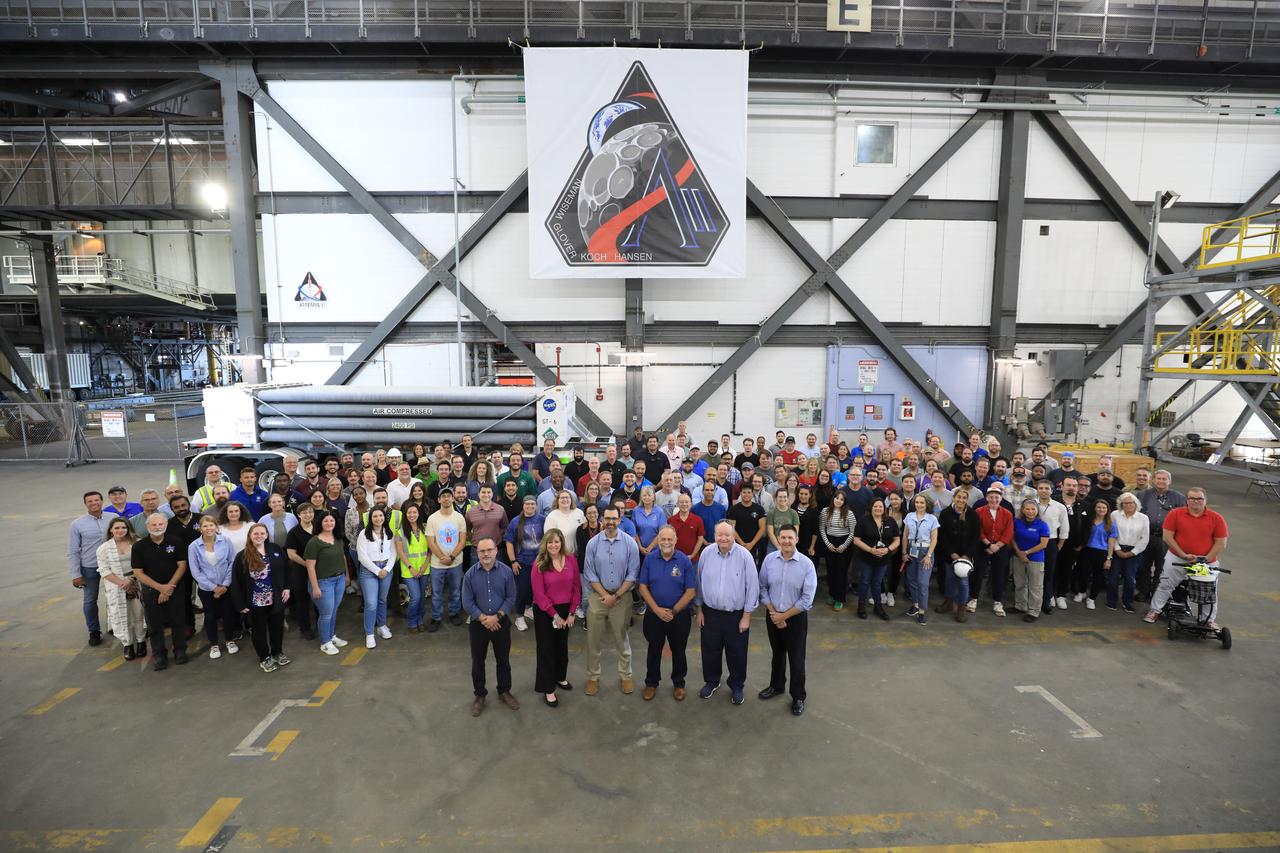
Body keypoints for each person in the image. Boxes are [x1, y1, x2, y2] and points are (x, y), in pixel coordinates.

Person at [695, 521, 759, 705]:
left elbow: (752, 587)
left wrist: (746, 617)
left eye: (727, 535)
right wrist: (699, 610)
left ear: (733, 536)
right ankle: (712, 681)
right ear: (714, 535)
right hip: (710, 613)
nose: (723, 538)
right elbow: (699, 583)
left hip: (736, 615)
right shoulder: (706, 553)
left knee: (737, 653)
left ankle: (737, 685)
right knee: (710, 650)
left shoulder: (745, 556)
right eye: (719, 535)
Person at [1145, 487, 1228, 626]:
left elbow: (1221, 543)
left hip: (1204, 562)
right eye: (1192, 498)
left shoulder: (1216, 518)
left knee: (1207, 590)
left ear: (1205, 500)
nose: (1196, 501)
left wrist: (1205, 558)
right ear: (1187, 500)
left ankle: (1207, 619)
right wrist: (1183, 555)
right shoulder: (1175, 514)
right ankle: (1155, 610)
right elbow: (1168, 537)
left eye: (1199, 498)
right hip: (1178, 558)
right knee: (1166, 584)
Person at [757, 525, 816, 716]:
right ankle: (777, 686)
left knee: (797, 658)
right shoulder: (769, 560)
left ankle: (798, 696)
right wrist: (774, 613)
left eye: (790, 538)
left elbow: (807, 599)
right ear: (778, 539)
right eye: (783, 537)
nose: (786, 541)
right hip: (773, 616)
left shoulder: (806, 565)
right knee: (777, 654)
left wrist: (784, 616)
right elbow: (762, 587)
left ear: (797, 539)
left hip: (795, 618)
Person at [582, 506, 641, 696]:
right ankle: (593, 677)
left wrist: (615, 596)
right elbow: (589, 573)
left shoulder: (630, 543)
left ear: (620, 518)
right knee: (593, 640)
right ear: (602, 519)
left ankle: (625, 675)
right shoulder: (593, 543)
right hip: (597, 597)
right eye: (607, 518)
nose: (610, 522)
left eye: (614, 518)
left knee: (621, 638)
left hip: (621, 598)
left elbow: (633, 574)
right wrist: (605, 596)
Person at [637, 525, 697, 702]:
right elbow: (642, 587)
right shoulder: (649, 559)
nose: (666, 542)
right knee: (653, 649)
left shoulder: (684, 561)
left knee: (679, 650)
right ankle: (651, 683)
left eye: (670, 539)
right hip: (654, 614)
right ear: (658, 540)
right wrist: (656, 609)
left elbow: (691, 591)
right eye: (663, 539)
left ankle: (679, 684)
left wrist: (673, 610)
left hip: (678, 615)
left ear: (676, 540)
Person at [462, 537, 520, 716]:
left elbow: (511, 597)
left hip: (501, 624)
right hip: (479, 626)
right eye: (482, 551)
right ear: (477, 553)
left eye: (489, 550)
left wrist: (497, 616)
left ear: (496, 550)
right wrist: (484, 618)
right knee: (477, 662)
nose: (486, 554)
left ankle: (504, 691)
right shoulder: (470, 574)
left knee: (503, 661)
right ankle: (480, 695)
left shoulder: (506, 572)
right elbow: (467, 602)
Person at [131, 512, 190, 670]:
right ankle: (159, 655)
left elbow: (182, 566)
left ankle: (180, 651)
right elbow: (138, 572)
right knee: (154, 625)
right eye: (154, 525)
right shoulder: (139, 547)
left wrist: (168, 588)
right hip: (151, 591)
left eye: (160, 524)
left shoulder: (176, 542)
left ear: (165, 525)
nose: (157, 527)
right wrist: (160, 589)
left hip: (174, 588)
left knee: (178, 621)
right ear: (147, 526)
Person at [232, 523, 291, 673]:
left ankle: (277, 652)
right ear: (250, 536)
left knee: (277, 628)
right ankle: (264, 657)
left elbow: (286, 569)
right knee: (259, 631)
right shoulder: (242, 556)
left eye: (262, 533)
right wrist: (240, 604)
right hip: (256, 601)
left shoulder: (275, 549)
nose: (259, 536)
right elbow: (236, 581)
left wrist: (287, 588)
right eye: (255, 534)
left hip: (276, 597)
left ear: (266, 535)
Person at [532, 529, 580, 707]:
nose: (553, 545)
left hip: (566, 610)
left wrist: (572, 612)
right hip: (545, 611)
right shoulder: (539, 563)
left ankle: (560, 677)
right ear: (545, 544)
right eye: (550, 542)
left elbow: (576, 586)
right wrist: (555, 616)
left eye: (557, 542)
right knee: (547, 650)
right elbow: (539, 594)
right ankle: (548, 687)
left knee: (562, 646)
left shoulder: (571, 560)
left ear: (562, 543)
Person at [187, 515, 240, 658]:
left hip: (226, 586)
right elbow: (195, 571)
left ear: (216, 527)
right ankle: (214, 644)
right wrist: (213, 587)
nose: (208, 528)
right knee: (210, 616)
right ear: (200, 528)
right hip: (206, 589)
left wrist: (224, 585)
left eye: (211, 525)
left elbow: (232, 563)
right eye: (205, 526)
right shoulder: (193, 546)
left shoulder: (225, 541)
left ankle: (230, 640)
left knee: (228, 614)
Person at [95, 517, 147, 660]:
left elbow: (145, 564)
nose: (120, 530)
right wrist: (123, 584)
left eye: (123, 527)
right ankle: (127, 644)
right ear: (111, 530)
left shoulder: (137, 543)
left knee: (139, 613)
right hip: (116, 586)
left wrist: (131, 580)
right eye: (116, 528)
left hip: (137, 582)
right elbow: (104, 570)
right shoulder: (104, 548)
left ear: (128, 529)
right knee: (122, 615)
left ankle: (141, 641)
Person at [68, 490, 112, 647]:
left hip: (112, 565)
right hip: (90, 567)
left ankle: (115, 626)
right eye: (90, 501)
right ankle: (94, 631)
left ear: (102, 501)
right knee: (90, 600)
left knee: (115, 596)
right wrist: (75, 573)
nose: (94, 503)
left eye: (96, 500)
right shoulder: (77, 524)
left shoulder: (113, 518)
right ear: (85, 504)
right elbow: (73, 550)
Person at [1135, 469, 1186, 603]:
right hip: (1146, 537)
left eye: (1164, 479)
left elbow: (1184, 518)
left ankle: (1156, 592)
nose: (1161, 481)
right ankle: (1143, 591)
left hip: (1166, 539)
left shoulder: (1178, 497)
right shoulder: (1143, 495)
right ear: (1153, 480)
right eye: (1159, 478)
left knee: (1162, 566)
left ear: (1169, 481)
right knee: (1143, 566)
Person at [304, 512, 349, 655]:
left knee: (334, 610)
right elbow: (310, 566)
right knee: (326, 613)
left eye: (332, 520)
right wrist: (315, 587)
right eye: (326, 521)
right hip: (323, 582)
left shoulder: (338, 539)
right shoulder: (314, 542)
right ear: (320, 523)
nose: (329, 523)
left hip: (339, 579)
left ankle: (331, 636)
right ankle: (325, 642)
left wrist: (347, 575)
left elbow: (343, 558)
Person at [935, 490, 981, 623]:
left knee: (963, 582)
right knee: (949, 579)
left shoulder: (973, 515)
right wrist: (951, 553)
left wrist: (967, 555)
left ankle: (961, 607)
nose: (961, 500)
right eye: (958, 497)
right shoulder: (945, 513)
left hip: (965, 557)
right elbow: (942, 536)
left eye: (964, 498)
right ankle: (949, 603)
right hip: (950, 555)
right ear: (954, 498)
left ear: (967, 500)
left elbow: (975, 537)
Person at [425, 489, 468, 631]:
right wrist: (442, 557)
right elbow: (431, 542)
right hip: (437, 563)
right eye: (443, 496)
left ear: (453, 498)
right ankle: (436, 617)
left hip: (456, 562)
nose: (446, 499)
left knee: (455, 591)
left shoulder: (459, 518)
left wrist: (452, 557)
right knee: (437, 593)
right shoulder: (432, 518)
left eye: (449, 496)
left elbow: (462, 540)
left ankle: (454, 613)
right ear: (439, 500)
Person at [971, 483, 1014, 617]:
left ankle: (997, 601)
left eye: (997, 497)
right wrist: (989, 545)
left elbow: (1008, 532)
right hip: (983, 546)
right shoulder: (979, 511)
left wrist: (997, 546)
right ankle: (973, 599)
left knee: (999, 574)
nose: (994, 500)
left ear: (1001, 499)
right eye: (991, 497)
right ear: (986, 498)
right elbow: (978, 530)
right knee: (978, 572)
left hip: (1000, 547)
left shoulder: (1007, 513)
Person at [854, 497, 900, 621]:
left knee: (877, 582)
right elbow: (856, 540)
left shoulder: (890, 521)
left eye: (880, 506)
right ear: (871, 508)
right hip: (866, 557)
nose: (878, 508)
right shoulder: (864, 521)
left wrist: (888, 549)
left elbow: (897, 540)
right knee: (864, 581)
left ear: (884, 508)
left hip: (883, 558)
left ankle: (878, 607)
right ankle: (861, 607)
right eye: (875, 506)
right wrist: (871, 550)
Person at [357, 507, 397, 648]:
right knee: (371, 603)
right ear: (370, 518)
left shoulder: (388, 532)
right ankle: (369, 634)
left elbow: (393, 553)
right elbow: (362, 557)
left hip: (386, 569)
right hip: (369, 571)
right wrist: (376, 570)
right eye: (375, 516)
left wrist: (386, 569)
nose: (378, 518)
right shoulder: (363, 534)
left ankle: (381, 626)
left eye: (380, 515)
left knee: (382, 600)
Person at [1108, 492, 1149, 613]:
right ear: (1121, 504)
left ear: (1135, 503)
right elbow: (1111, 533)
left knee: (1130, 579)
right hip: (1117, 549)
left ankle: (1128, 602)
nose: (1128, 505)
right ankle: (1111, 601)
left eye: (1130, 503)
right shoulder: (1115, 515)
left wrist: (1132, 552)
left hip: (1134, 551)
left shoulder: (1143, 518)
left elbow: (1145, 538)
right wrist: (1117, 549)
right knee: (1113, 577)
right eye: (1125, 503)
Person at [1010, 498, 1050, 622]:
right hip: (1018, 557)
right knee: (1020, 583)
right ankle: (1020, 605)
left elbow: (1043, 544)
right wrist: (1019, 552)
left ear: (1037, 510)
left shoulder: (1042, 525)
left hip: (1035, 559)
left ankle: (1033, 611)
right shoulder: (1017, 522)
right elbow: (1012, 538)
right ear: (1022, 510)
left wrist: (1026, 553)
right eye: (1027, 509)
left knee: (1035, 586)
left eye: (1033, 509)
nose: (1030, 511)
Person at [902, 493, 939, 625]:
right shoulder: (909, 516)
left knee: (922, 582)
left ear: (927, 504)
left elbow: (934, 539)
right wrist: (904, 553)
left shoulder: (932, 519)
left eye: (922, 503)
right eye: (917, 502)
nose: (919, 505)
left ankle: (922, 611)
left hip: (925, 551)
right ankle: (916, 604)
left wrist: (929, 555)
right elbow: (905, 535)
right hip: (912, 550)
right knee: (912, 580)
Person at [396, 503, 432, 633]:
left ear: (418, 514)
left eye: (414, 512)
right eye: (409, 513)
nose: (412, 515)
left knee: (421, 597)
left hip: (424, 569)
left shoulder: (425, 528)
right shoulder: (400, 531)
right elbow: (400, 552)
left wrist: (424, 566)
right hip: (409, 570)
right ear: (405, 515)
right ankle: (412, 622)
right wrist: (411, 568)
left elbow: (430, 550)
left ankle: (420, 621)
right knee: (415, 597)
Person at [1076, 498, 1117, 611]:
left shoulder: (1111, 524)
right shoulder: (1088, 520)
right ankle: (1082, 592)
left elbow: (1111, 542)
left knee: (1098, 576)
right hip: (1087, 550)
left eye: (1104, 507)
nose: (1101, 509)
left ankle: (1092, 599)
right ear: (1094, 508)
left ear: (1107, 509)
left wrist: (1109, 558)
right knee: (1083, 573)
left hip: (1101, 552)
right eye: (1099, 507)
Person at [818, 491, 855, 612]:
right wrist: (828, 543)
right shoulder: (825, 511)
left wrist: (844, 546)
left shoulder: (849, 514)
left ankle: (839, 599)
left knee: (841, 572)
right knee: (831, 570)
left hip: (844, 544)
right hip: (830, 543)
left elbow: (853, 532)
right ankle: (831, 594)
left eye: (841, 499)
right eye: (836, 498)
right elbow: (822, 528)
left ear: (845, 502)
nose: (838, 501)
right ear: (833, 499)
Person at [727, 483, 767, 565]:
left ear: (752, 493)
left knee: (753, 568)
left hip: (755, 546)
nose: (746, 495)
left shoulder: (759, 509)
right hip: (738, 546)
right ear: (740, 493)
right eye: (744, 492)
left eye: (749, 492)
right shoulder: (733, 509)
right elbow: (731, 528)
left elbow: (762, 528)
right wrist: (742, 544)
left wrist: (752, 544)